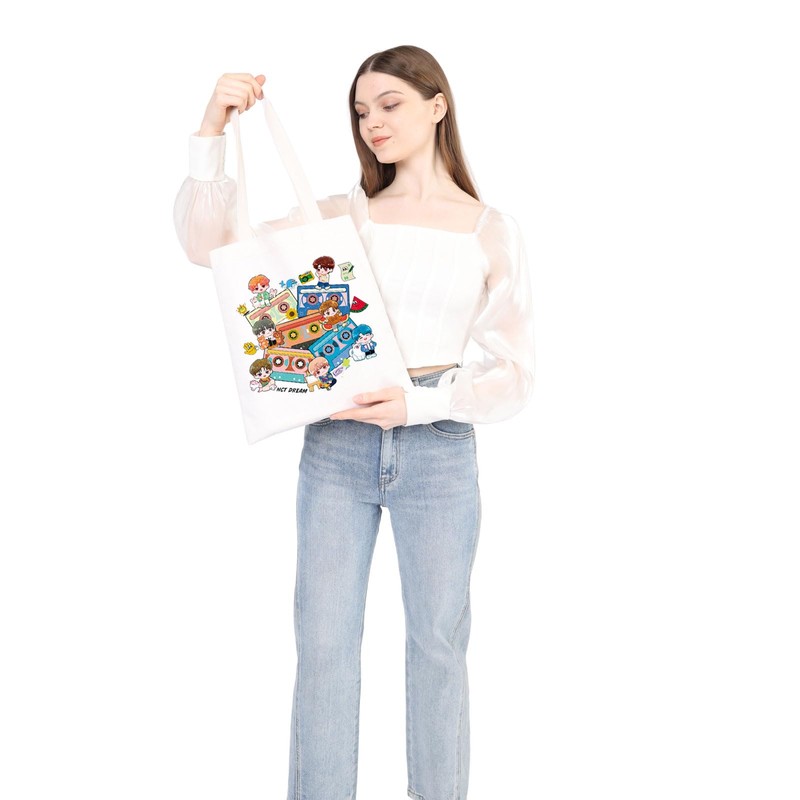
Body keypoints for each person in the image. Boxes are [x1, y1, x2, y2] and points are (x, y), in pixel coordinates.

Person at [173, 44, 535, 800]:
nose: (373, 122)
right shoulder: (343, 215)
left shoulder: (489, 229)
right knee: (324, 649)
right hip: (336, 446)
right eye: (362, 110)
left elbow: (514, 375)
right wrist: (212, 129)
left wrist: (420, 402)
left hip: (438, 447)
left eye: (390, 104)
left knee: (438, 649)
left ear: (437, 105)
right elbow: (212, 249)